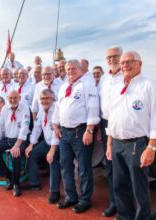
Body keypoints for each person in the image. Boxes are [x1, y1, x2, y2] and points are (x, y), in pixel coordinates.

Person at [105, 51, 156, 220]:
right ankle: (125, 216)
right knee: (119, 186)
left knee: (139, 188)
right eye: (123, 62)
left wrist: (151, 148)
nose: (125, 65)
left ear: (140, 64)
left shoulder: (149, 85)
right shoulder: (117, 87)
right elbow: (112, 118)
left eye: (130, 61)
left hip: (136, 145)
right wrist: (109, 144)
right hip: (117, 143)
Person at [52, 59, 100, 213]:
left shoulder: (87, 84)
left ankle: (85, 199)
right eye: (68, 69)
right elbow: (58, 108)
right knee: (65, 165)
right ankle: (71, 196)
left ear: (80, 69)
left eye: (73, 68)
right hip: (64, 132)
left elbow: (93, 108)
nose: (70, 71)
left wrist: (90, 130)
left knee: (83, 168)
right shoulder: (64, 86)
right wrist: (56, 125)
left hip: (81, 131)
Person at [97, 46, 124, 217]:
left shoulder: (126, 76)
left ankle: (125, 205)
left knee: (124, 167)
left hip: (122, 124)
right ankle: (114, 203)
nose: (112, 60)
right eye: (109, 57)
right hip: (105, 123)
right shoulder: (104, 79)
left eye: (115, 56)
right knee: (111, 167)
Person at [0, 90, 31, 197]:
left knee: (15, 154)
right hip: (7, 138)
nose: (12, 100)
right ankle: (9, 176)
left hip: (20, 139)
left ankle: (16, 184)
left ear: (19, 98)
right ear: (7, 98)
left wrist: (17, 145)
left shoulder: (25, 108)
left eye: (15, 98)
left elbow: (24, 127)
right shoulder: (4, 109)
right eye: (10, 98)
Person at [25, 89, 61, 204]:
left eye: (47, 98)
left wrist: (52, 149)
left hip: (58, 143)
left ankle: (55, 192)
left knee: (53, 160)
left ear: (53, 98)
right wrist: (31, 144)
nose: (44, 101)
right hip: (47, 141)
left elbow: (57, 131)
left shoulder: (57, 108)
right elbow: (37, 128)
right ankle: (34, 183)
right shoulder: (41, 110)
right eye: (42, 99)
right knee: (32, 153)